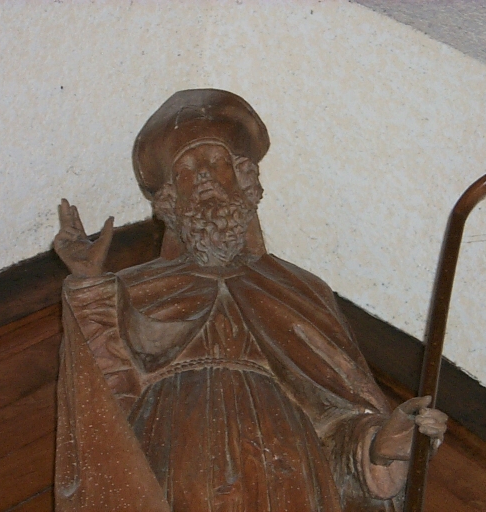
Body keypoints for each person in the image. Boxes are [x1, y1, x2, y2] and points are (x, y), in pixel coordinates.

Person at [53, 89, 447, 512]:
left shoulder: (300, 289)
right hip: (174, 455)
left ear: (244, 179)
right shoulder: (133, 288)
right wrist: (89, 285)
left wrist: (380, 446)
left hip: (284, 465)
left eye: (214, 162)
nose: (203, 177)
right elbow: (101, 395)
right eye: (186, 171)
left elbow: (337, 415)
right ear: (170, 200)